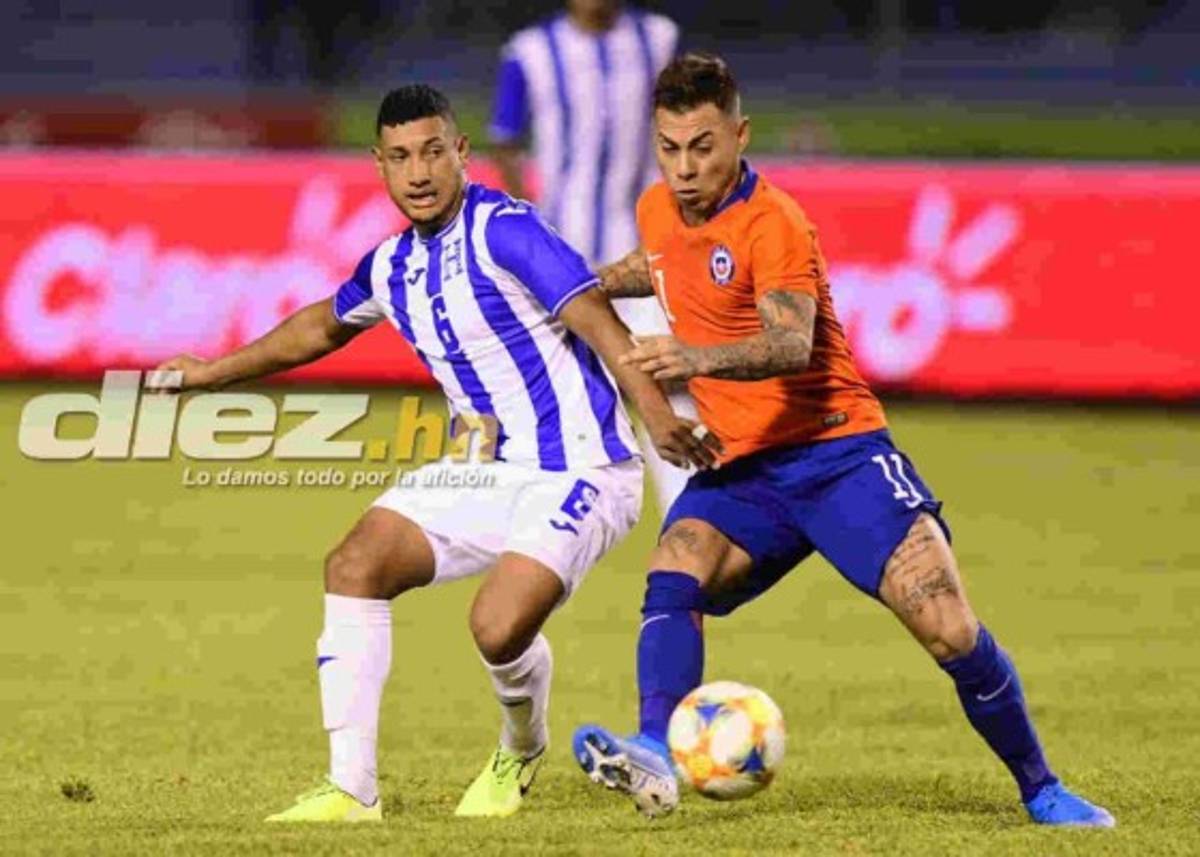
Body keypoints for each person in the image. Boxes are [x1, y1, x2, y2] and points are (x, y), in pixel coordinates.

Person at [569, 53, 1115, 828]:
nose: (686, 167)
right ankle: (654, 747)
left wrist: (691, 359)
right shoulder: (659, 208)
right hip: (746, 470)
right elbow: (653, 267)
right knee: (677, 562)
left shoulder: (775, 222)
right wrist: (575, 286)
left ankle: (1041, 787)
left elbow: (790, 342)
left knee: (946, 622)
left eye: (703, 146)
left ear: (740, 134)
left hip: (837, 453)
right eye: (670, 147)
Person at [152, 84, 718, 823]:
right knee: (354, 564)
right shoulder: (390, 265)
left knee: (496, 625)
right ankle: (351, 789)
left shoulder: (508, 231)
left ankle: (520, 744)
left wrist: (657, 417)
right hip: (481, 469)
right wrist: (209, 372)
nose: (416, 172)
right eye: (398, 157)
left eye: (430, 152)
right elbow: (320, 327)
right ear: (380, 167)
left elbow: (603, 325)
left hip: (583, 469)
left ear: (460, 153)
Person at [489, 0, 696, 516]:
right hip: (564, 247)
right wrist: (531, 223)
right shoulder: (531, 52)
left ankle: (692, 512)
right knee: (541, 382)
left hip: (646, 247)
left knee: (669, 372)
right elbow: (505, 140)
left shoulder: (660, 39)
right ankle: (526, 511)